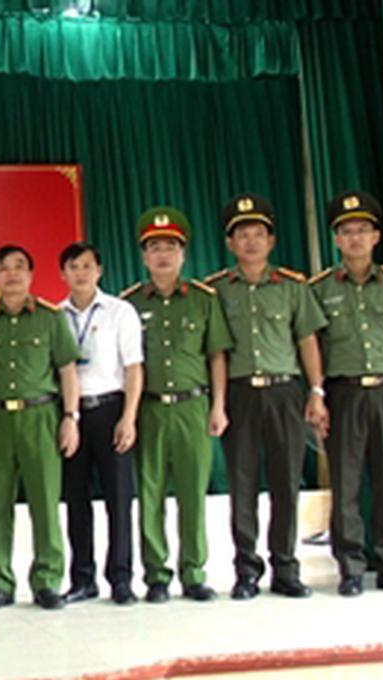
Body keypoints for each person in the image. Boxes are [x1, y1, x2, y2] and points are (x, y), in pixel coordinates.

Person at [205, 194, 326, 601]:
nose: (251, 242)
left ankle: (286, 568)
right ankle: (246, 571)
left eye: (258, 234)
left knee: (285, 481)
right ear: (230, 243)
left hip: (284, 391)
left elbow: (307, 341)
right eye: (242, 235)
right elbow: (216, 352)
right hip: (239, 394)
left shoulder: (292, 287)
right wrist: (218, 403)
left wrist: (316, 391)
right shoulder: (216, 291)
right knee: (241, 484)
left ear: (271, 241)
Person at [310, 190, 383, 597]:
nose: (355, 238)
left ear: (376, 236)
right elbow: (313, 347)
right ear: (336, 240)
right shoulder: (320, 289)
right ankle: (351, 568)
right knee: (345, 484)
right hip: (343, 394)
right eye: (346, 231)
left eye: (362, 229)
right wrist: (317, 395)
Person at [120, 206, 232, 603]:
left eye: (170, 247)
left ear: (183, 254)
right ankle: (156, 575)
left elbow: (216, 355)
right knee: (150, 494)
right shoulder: (129, 304)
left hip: (192, 407)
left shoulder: (203, 300)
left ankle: (194, 572)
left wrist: (218, 406)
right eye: (154, 248)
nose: (162, 255)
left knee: (192, 493)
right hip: (149, 410)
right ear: (144, 257)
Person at [0, 245, 80, 611]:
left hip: (41, 417)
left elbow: (67, 371)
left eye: (19, 266)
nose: (12, 274)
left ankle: (47, 581)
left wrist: (71, 417)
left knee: (45, 503)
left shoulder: (51, 318)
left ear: (31, 275)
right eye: (3, 268)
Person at [57, 242, 144, 606]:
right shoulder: (55, 316)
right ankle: (82, 579)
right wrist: (68, 417)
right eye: (73, 267)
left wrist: (129, 417)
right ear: (63, 273)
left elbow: (134, 368)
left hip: (111, 410)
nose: (81, 273)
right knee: (76, 500)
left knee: (118, 499)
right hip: (71, 415)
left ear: (100, 271)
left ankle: (121, 578)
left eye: (87, 266)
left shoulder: (120, 312)